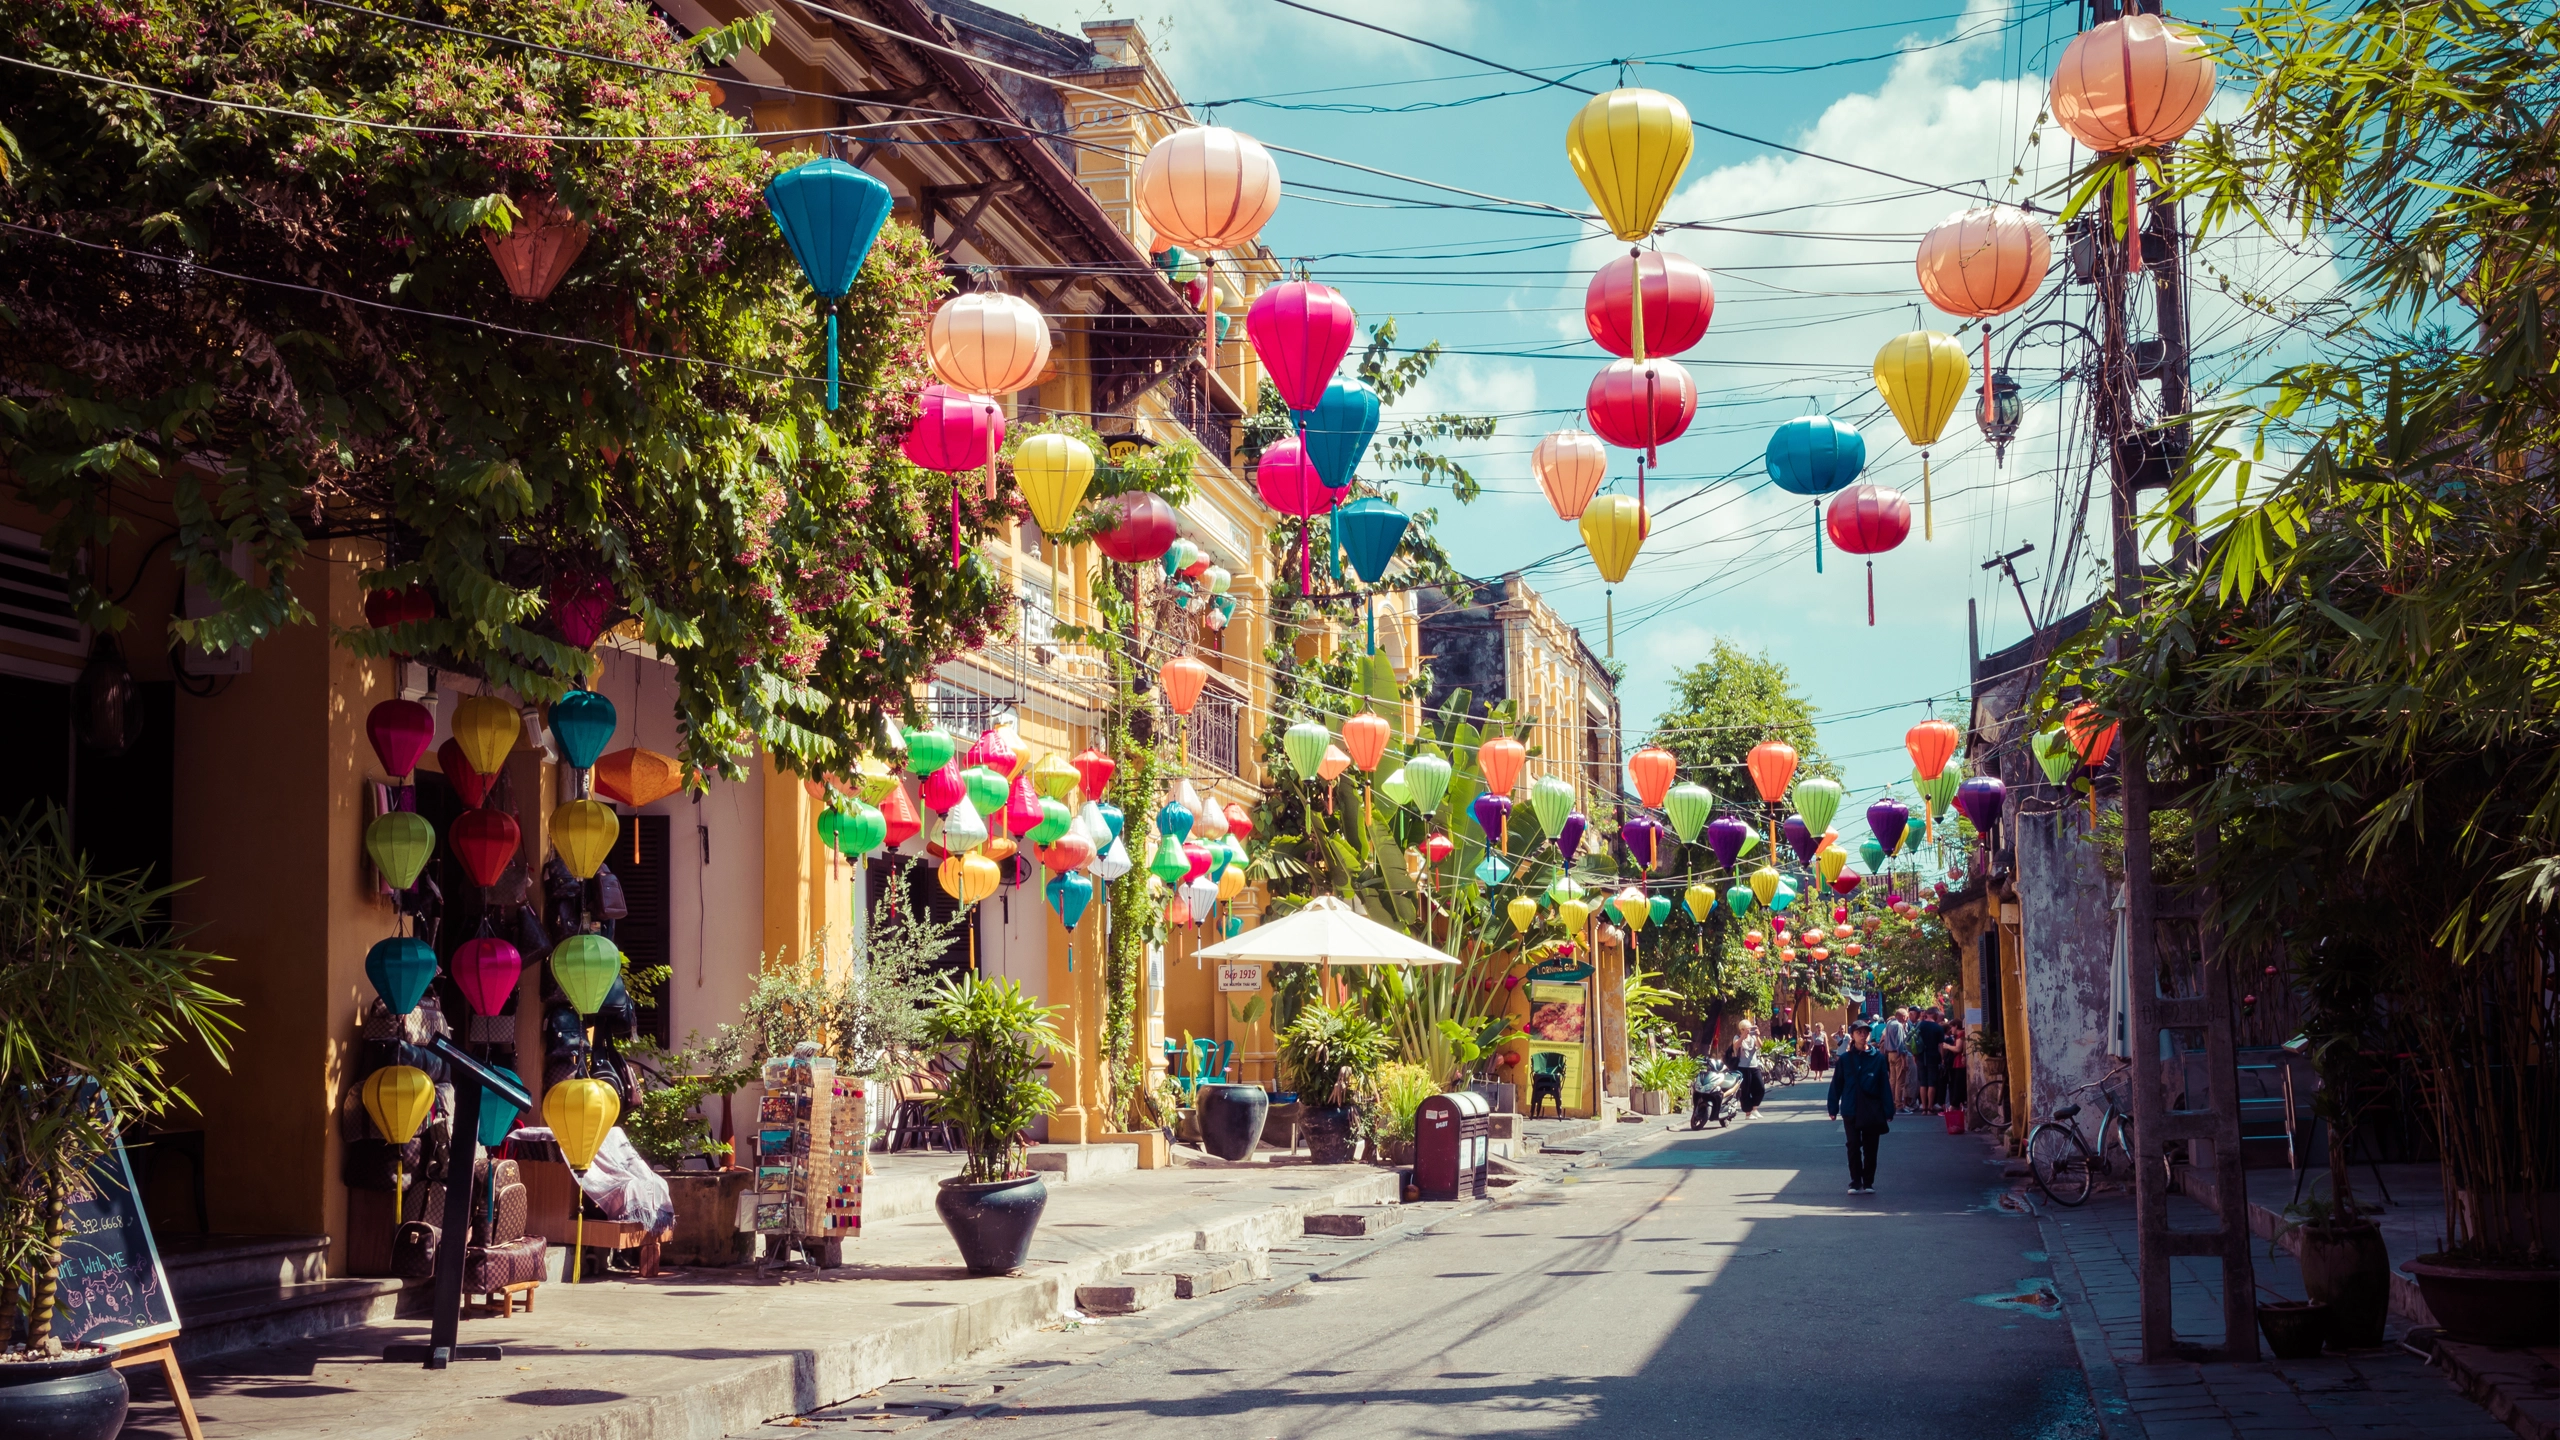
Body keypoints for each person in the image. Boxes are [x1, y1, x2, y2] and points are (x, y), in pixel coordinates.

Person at [1827, 1022, 1894, 1194]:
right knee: (1853, 1145)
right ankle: (1856, 1181)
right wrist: (1832, 1108)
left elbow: (1884, 1085)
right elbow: (1837, 1084)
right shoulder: (1845, 1059)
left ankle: (1868, 1181)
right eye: (1859, 1032)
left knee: (1871, 1147)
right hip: (1851, 1108)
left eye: (1866, 1032)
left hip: (1872, 1109)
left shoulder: (1878, 1058)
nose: (1863, 1035)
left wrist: (1889, 1109)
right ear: (1853, 1035)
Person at [1913, 1006, 1948, 1114]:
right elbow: (1941, 1045)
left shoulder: (1919, 1025)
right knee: (1932, 1082)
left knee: (1923, 1083)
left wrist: (1915, 1056)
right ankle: (1930, 1107)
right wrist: (1942, 1058)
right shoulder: (1938, 1028)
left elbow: (1914, 1041)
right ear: (1935, 1014)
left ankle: (1924, 1108)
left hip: (1920, 1056)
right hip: (1933, 1056)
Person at [1881, 1008, 1913, 1113]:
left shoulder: (1889, 1023)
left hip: (1890, 1054)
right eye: (1906, 1017)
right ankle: (1899, 1105)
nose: (1907, 1019)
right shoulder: (1898, 1025)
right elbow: (1900, 1044)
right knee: (1900, 1081)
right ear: (1903, 1017)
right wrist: (1904, 1059)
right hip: (1898, 1054)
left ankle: (1892, 1103)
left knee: (1893, 1080)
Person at [1735, 1018, 1766, 1118]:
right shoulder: (1737, 1037)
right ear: (1742, 1029)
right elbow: (1736, 1046)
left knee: (1760, 1088)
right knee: (1746, 1090)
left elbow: (1760, 1046)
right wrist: (1743, 1036)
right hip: (1743, 1067)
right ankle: (1748, 1113)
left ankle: (1754, 1108)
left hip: (1754, 1066)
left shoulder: (1753, 1037)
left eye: (1750, 1028)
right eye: (1747, 1028)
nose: (1749, 1030)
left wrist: (1757, 1036)